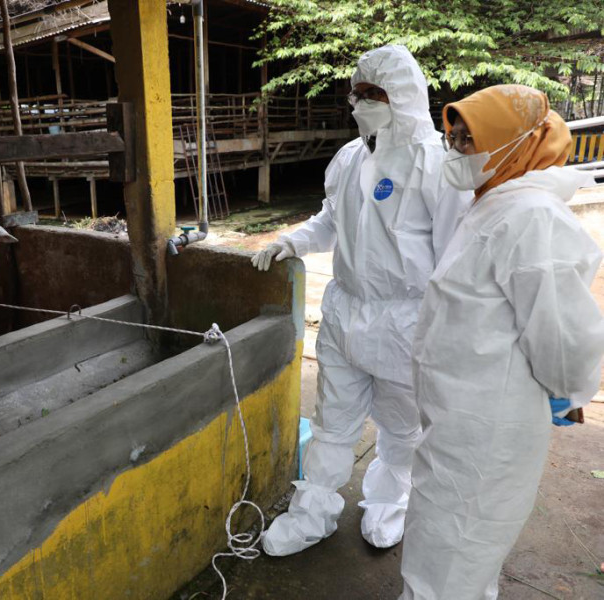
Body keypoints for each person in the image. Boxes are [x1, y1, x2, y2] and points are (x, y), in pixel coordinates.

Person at [251, 45, 471, 555]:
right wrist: (294, 241)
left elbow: (454, 258)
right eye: (358, 93)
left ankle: (389, 503)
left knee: (403, 428)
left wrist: (451, 333)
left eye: (376, 94)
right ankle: (314, 514)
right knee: (332, 422)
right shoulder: (350, 158)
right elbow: (331, 218)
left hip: (406, 322)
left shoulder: (439, 166)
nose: (362, 103)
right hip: (346, 312)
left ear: (405, 97)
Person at [399, 84, 604, 599]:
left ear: (519, 144)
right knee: (454, 545)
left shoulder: (532, 215)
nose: (458, 151)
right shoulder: (494, 202)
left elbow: (562, 331)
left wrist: (569, 389)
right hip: (460, 412)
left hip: (486, 424)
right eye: (456, 138)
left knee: (456, 546)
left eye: (470, 139)